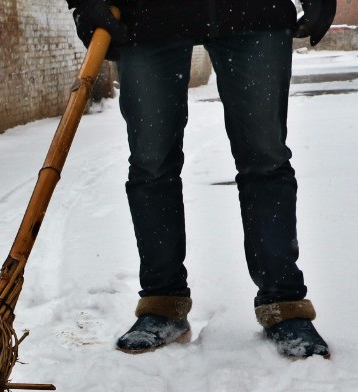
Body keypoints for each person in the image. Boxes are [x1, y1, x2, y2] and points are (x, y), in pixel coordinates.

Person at [67, 0, 336, 359]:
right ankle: (162, 303)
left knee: (266, 158)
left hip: (255, 11)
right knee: (151, 164)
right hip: (147, 16)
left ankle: (283, 304)